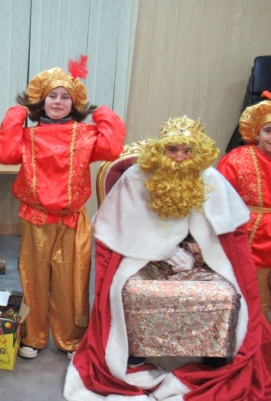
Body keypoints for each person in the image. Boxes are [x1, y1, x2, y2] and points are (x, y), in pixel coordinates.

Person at [64, 116, 271, 400]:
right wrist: (164, 251)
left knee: (224, 295)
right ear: (160, 150)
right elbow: (123, 227)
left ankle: (212, 356)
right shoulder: (136, 177)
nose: (180, 157)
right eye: (172, 149)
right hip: (140, 257)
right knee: (133, 291)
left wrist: (195, 253)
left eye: (187, 150)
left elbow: (226, 235)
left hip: (200, 260)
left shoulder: (209, 178)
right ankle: (134, 354)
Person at [0, 60, 126, 360]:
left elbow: (112, 148)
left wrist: (103, 113)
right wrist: (16, 114)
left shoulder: (87, 135)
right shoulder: (27, 137)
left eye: (65, 96)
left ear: (74, 102)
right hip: (35, 219)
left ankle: (70, 338)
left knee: (71, 281)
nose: (57, 101)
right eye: (52, 96)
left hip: (71, 220)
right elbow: (5, 154)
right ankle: (33, 335)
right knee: (34, 278)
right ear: (41, 100)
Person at [218, 95, 271, 321]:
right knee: (252, 304)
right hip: (250, 238)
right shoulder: (237, 159)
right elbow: (219, 202)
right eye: (269, 130)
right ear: (257, 133)